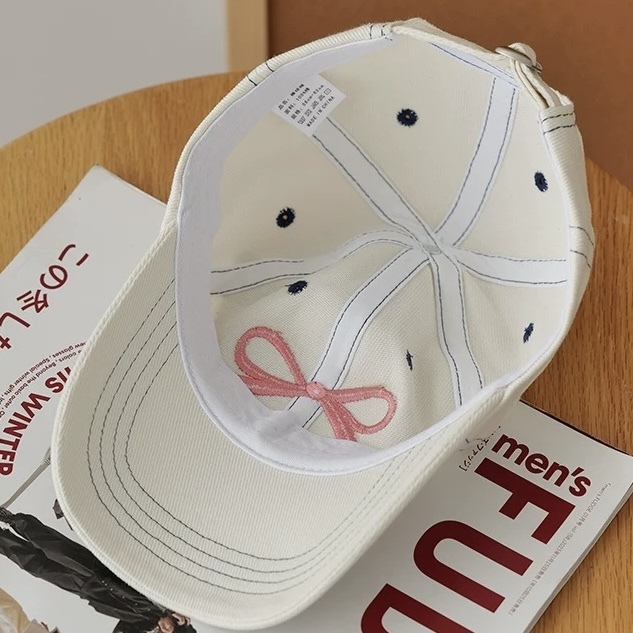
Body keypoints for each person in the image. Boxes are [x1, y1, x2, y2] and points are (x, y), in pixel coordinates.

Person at [0, 507, 194, 633]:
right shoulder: (160, 601)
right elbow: (148, 580)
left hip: (85, 589)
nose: (164, 630)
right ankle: (12, 519)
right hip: (94, 570)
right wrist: (168, 610)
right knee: (52, 546)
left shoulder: (144, 624)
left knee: (36, 566)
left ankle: (1, 538)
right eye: (170, 629)